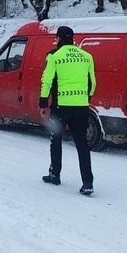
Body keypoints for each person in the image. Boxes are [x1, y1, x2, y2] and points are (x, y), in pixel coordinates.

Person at [39, 26, 97, 195]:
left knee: (55, 140)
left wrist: (43, 104)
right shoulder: (87, 57)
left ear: (58, 39)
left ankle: (55, 174)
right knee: (82, 144)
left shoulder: (54, 56)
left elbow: (46, 81)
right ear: (72, 38)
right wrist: (86, 98)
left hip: (60, 108)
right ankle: (87, 182)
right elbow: (92, 83)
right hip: (81, 107)